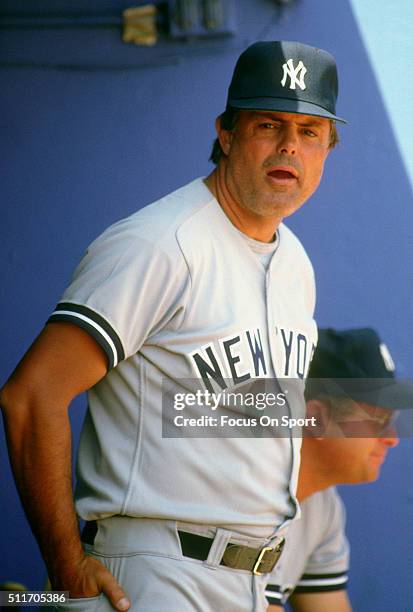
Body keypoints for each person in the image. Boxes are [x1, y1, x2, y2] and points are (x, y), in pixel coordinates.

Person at [0, 41, 346, 612]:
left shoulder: (296, 263)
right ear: (227, 133)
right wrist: (65, 566)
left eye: (311, 131)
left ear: (328, 148)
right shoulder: (158, 244)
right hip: (156, 572)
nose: (290, 144)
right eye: (269, 123)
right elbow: (31, 394)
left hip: (252, 578)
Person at [264, 327, 411, 611]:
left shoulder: (322, 505)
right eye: (378, 419)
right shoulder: (247, 491)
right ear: (316, 417)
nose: (392, 437)